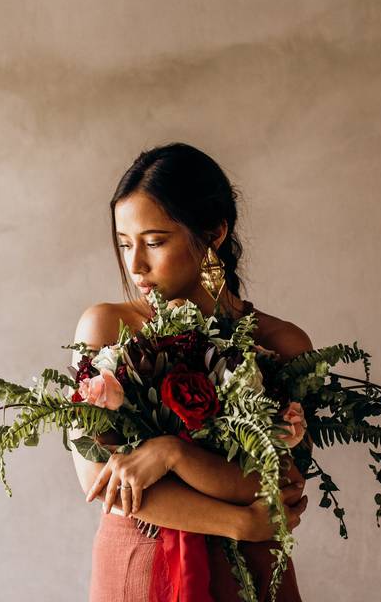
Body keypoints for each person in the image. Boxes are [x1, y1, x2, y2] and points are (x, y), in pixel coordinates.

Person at [70, 142, 314, 601]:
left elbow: (280, 486)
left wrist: (172, 454)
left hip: (253, 572)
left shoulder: (281, 343)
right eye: (125, 244)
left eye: (155, 241)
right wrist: (240, 522)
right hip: (140, 564)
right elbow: (99, 480)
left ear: (215, 232)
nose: (136, 264)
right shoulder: (107, 326)